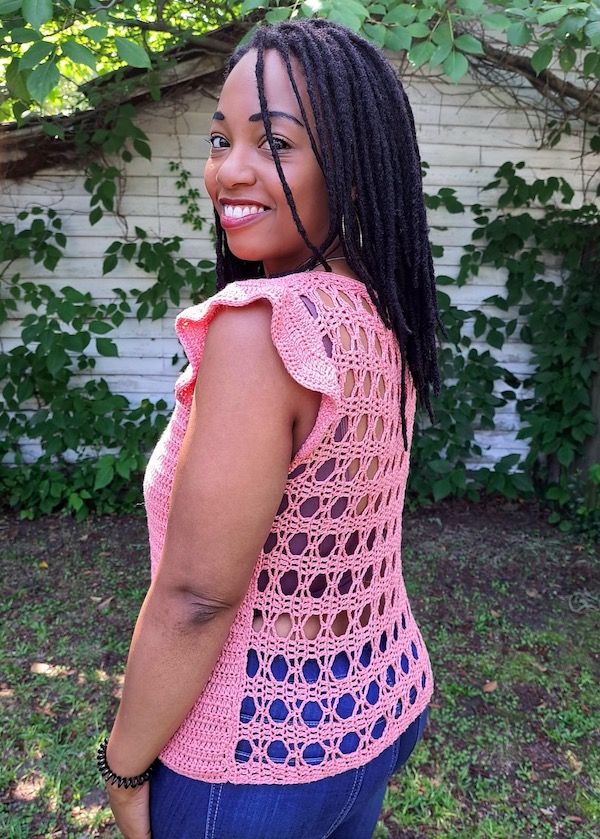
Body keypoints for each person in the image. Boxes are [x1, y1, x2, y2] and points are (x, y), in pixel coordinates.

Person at [100, 17, 443, 839]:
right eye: (221, 139)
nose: (230, 170)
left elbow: (196, 596)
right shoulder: (381, 313)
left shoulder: (265, 326)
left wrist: (122, 765)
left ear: (352, 169)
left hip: (259, 751)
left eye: (275, 143)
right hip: (376, 703)